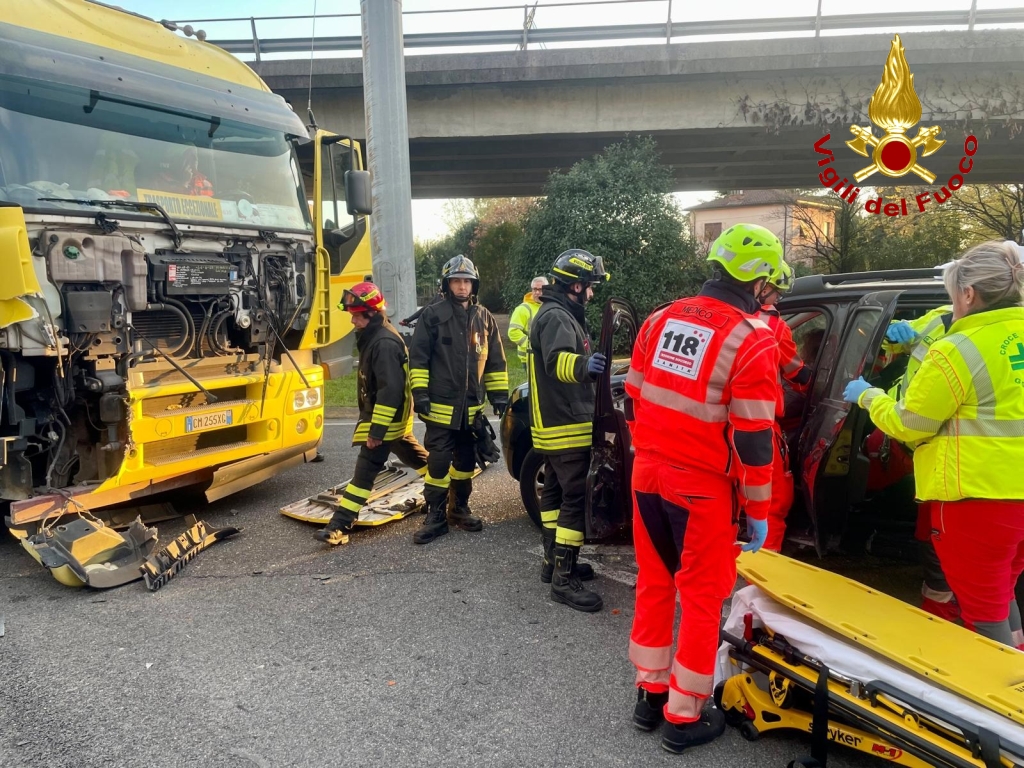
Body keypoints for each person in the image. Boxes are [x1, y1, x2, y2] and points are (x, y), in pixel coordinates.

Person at [625, 223, 781, 753]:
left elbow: (634, 398)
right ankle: (684, 714)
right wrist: (758, 510)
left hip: (646, 472)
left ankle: (650, 693)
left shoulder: (659, 318)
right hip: (702, 491)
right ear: (760, 281)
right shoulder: (753, 339)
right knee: (700, 597)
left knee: (653, 580)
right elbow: (756, 441)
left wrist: (649, 450)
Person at [843, 240, 1024, 647]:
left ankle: (999, 703)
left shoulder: (959, 349)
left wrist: (868, 396)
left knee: (982, 613)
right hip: (1015, 503)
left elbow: (911, 424)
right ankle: (1016, 663)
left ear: (969, 293)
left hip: (978, 499)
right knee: (1001, 593)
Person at [315, 282, 428, 545]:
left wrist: (377, 432)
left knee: (364, 472)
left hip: (385, 421)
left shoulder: (384, 343)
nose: (353, 321)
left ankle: (340, 523)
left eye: (356, 315)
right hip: (390, 420)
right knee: (418, 459)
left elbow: (390, 391)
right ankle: (444, 493)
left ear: (372, 313)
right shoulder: (376, 337)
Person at [408, 255, 508, 545]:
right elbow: (419, 358)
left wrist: (499, 395)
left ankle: (458, 509)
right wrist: (420, 394)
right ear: (447, 284)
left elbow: (495, 361)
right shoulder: (433, 315)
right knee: (438, 464)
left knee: (466, 462)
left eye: (466, 281)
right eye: (456, 281)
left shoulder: (484, 317)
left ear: (473, 284)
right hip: (439, 408)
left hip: (472, 410)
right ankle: (435, 517)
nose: (462, 286)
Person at [528, 250, 607, 611]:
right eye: (589, 288)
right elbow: (556, 361)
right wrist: (585, 366)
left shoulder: (558, 313)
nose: (591, 294)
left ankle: (553, 562)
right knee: (575, 499)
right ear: (575, 285)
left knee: (555, 494)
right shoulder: (558, 317)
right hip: (566, 423)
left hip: (554, 422)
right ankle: (564, 580)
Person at [758, 260, 811, 551]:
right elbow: (796, 372)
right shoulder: (771, 325)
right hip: (758, 427)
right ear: (761, 286)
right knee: (772, 503)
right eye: (776, 291)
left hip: (710, 428)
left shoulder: (704, 317)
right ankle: (766, 572)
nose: (778, 298)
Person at [508, 277, 547, 364]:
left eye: (540, 289)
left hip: (546, 356)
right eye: (535, 289)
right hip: (529, 357)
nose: (537, 292)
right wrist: (531, 345)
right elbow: (513, 332)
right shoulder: (523, 309)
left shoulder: (549, 306)